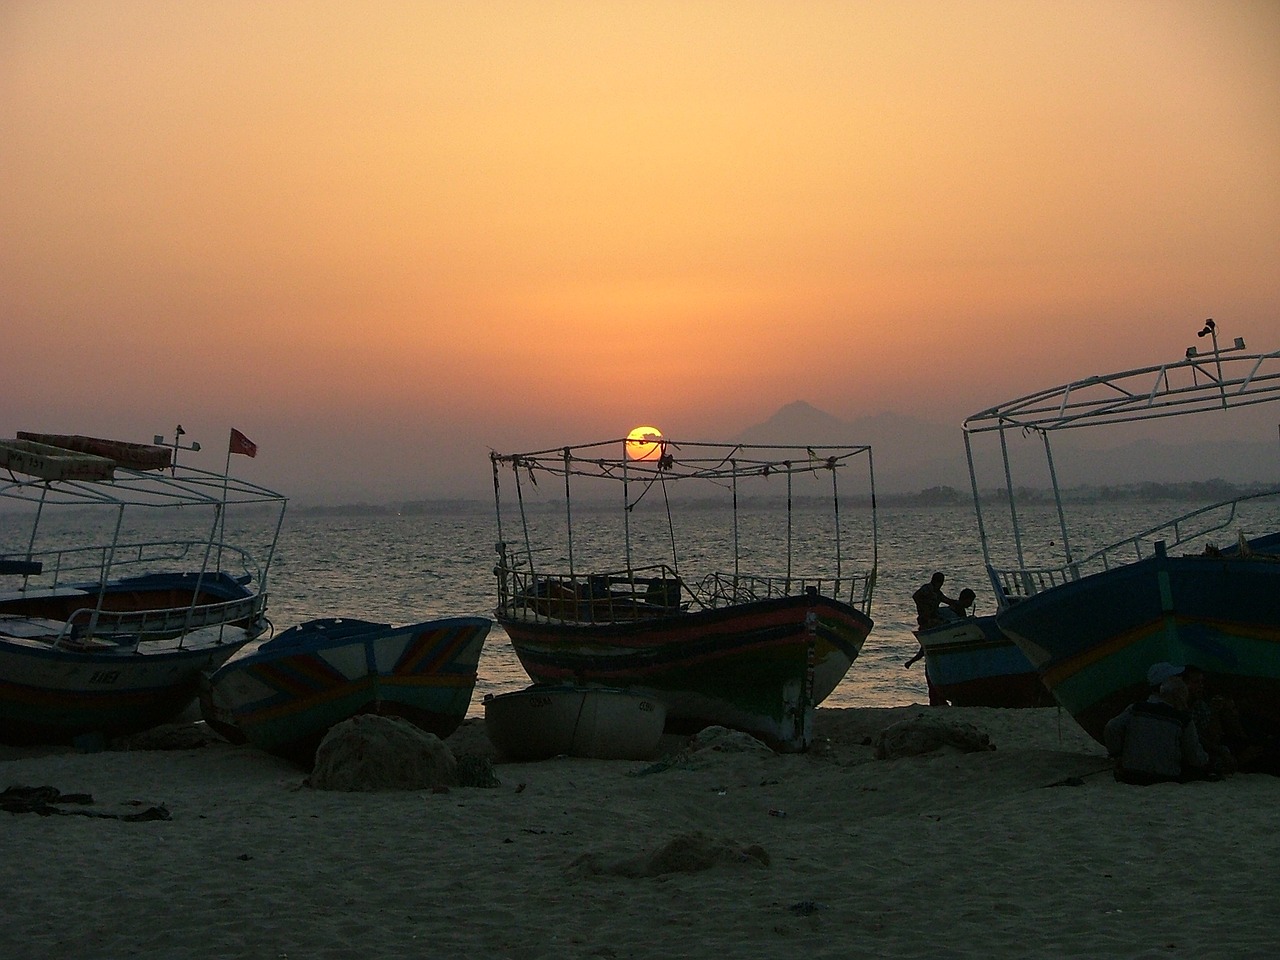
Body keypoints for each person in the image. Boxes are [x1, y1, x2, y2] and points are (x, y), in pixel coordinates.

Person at [1104, 662, 1214, 785]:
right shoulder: (1182, 718)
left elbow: (1111, 728)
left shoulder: (1135, 709)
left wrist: (1117, 755)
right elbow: (1195, 757)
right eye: (1177, 679)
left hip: (1131, 774)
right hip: (1166, 777)